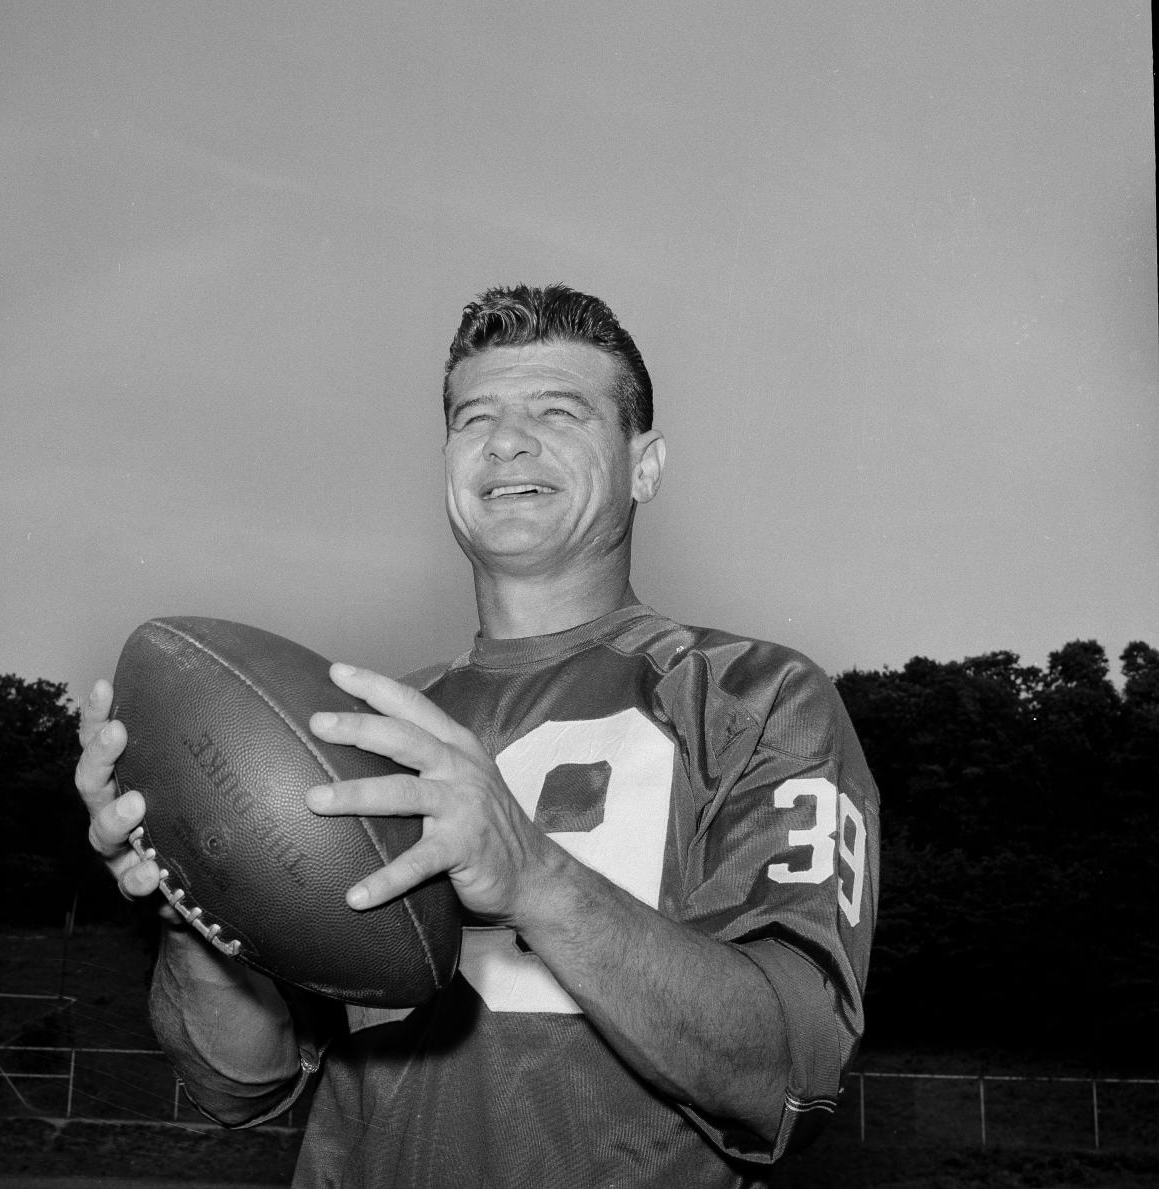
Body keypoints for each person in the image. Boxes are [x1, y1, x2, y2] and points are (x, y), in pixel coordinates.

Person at [75, 283, 879, 1188]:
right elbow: (238, 1085)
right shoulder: (358, 732)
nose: (506, 440)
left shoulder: (756, 696)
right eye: (474, 417)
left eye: (558, 411)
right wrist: (193, 898)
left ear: (645, 464)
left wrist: (536, 877)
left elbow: (792, 1078)